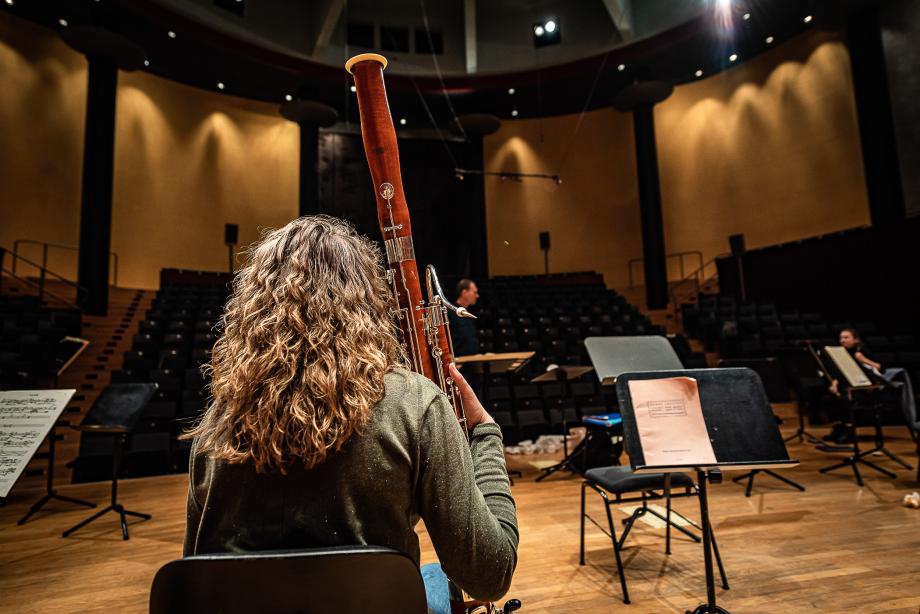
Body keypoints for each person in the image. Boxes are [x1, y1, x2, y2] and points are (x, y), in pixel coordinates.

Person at [182, 216, 518, 614]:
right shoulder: (414, 402)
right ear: (369, 301)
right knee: (436, 582)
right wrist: (485, 434)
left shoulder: (217, 423)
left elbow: (196, 583)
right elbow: (489, 575)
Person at [447, 279, 480, 357]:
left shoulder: (469, 313)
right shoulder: (450, 313)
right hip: (458, 360)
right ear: (464, 292)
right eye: (474, 292)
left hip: (472, 358)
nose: (477, 296)